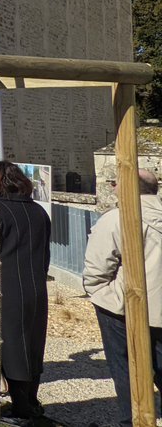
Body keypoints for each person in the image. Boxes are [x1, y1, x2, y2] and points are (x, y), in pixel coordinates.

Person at [0, 161, 51, 425]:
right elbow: (45, 254)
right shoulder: (39, 212)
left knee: (11, 346)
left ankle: (21, 406)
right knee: (32, 344)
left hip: (6, 288)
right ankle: (30, 401)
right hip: (35, 286)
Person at [84, 169, 162, 427]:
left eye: (116, 182)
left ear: (128, 187)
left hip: (123, 309)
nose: (113, 188)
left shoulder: (118, 218)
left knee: (127, 371)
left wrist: (103, 297)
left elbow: (97, 270)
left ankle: (133, 422)